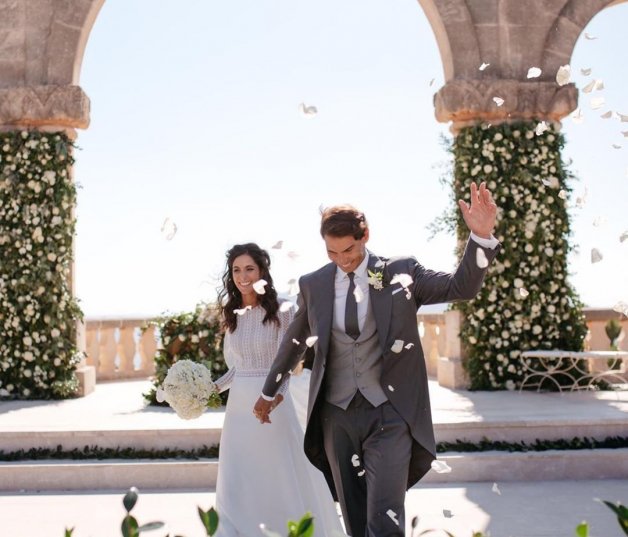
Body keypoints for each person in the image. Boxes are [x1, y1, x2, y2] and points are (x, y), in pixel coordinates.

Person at [254, 182, 500, 536]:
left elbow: (460, 287)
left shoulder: (401, 272)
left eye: (349, 250)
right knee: (355, 519)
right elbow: (295, 339)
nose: (343, 260)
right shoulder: (314, 284)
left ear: (365, 235)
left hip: (389, 413)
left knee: (385, 516)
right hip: (335, 417)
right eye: (333, 253)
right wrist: (268, 391)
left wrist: (480, 236)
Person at [212, 243, 345, 537]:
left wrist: (275, 396)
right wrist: (211, 390)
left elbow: (289, 359)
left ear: (262, 271)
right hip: (238, 410)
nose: (242, 276)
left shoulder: (281, 309)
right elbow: (240, 367)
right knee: (239, 474)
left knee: (279, 472)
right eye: (236, 270)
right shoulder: (232, 313)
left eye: (249, 269)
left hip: (271, 401)